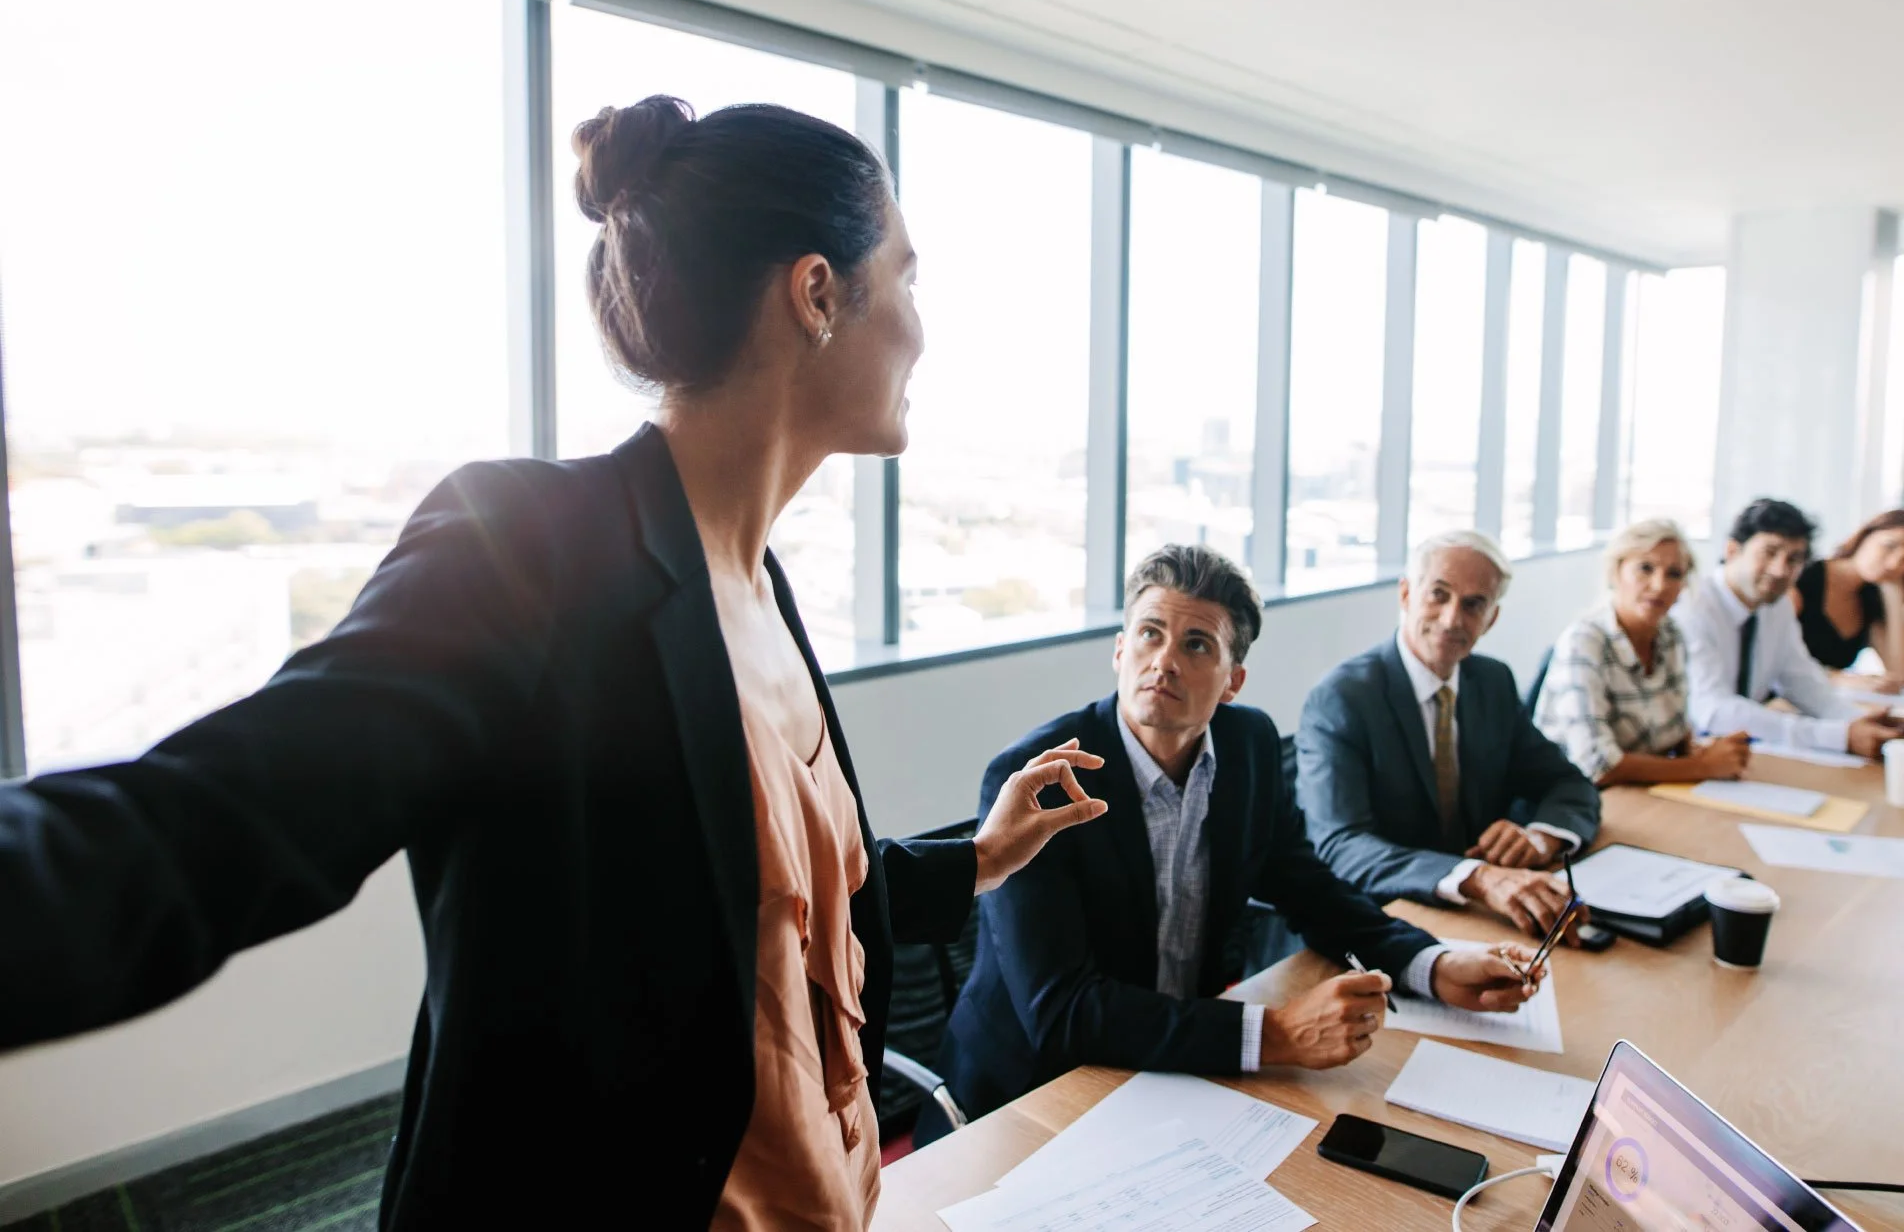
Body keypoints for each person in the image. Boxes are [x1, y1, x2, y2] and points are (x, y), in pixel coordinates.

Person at [0, 98, 1109, 1230]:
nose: (921, 326)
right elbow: (212, 819)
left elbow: (758, 897)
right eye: (907, 278)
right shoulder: (530, 546)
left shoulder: (759, 581)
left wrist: (974, 858)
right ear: (817, 292)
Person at [930, 545, 1545, 1132]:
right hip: (1032, 1093)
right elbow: (1062, 1011)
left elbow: (1311, 890)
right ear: (1119, 651)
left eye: (1197, 644)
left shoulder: (1248, 747)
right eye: (1149, 634)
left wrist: (1431, 964)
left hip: (1181, 1070)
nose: (1164, 660)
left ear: (1233, 681)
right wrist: (1274, 1032)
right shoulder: (1042, 781)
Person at [1299, 530, 1601, 937]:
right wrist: (1477, 877)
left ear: (1491, 618)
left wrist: (1541, 838)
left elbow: (1568, 783)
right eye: (1438, 595)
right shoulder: (1344, 697)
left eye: (1474, 604)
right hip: (1385, 919)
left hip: (1488, 917)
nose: (1452, 619)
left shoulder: (1491, 682)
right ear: (1406, 594)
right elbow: (1341, 845)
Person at [1676, 498, 1904, 757]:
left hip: (1740, 752)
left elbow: (1802, 680)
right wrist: (1839, 736)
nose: (1780, 570)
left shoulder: (1776, 605)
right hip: (1685, 753)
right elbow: (1713, 710)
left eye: (1794, 559)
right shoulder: (1694, 606)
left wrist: (1856, 721)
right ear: (1732, 551)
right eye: (1770, 553)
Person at [1535, 519, 1751, 786]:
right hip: (1577, 798)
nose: (1659, 585)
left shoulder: (1670, 633)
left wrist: (1699, 751)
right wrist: (1702, 766)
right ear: (1616, 572)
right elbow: (1597, 765)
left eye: (1674, 574)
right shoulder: (1585, 641)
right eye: (1645, 569)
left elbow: (1675, 730)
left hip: (1639, 792)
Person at [1792, 507, 1904, 680]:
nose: (1893, 564)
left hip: (1825, 702)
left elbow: (1898, 673)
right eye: (1889, 546)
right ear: (1865, 535)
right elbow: (1774, 661)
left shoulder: (1871, 600)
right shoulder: (1803, 578)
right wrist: (1840, 679)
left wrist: (1894, 593)